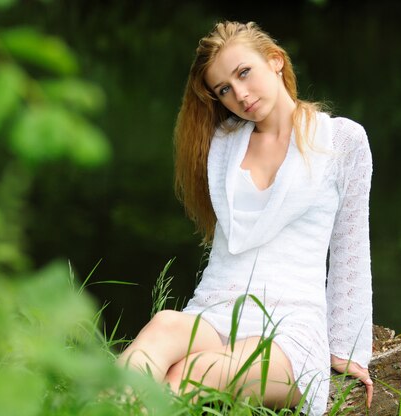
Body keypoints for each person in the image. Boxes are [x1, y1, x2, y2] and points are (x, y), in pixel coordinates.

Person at [118, 21, 373, 415]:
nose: (239, 94)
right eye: (224, 89)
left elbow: (351, 248)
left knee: (189, 373)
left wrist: (347, 350)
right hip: (215, 311)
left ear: (274, 61)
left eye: (243, 73)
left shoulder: (342, 140)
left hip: (290, 326)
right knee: (162, 328)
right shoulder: (222, 144)